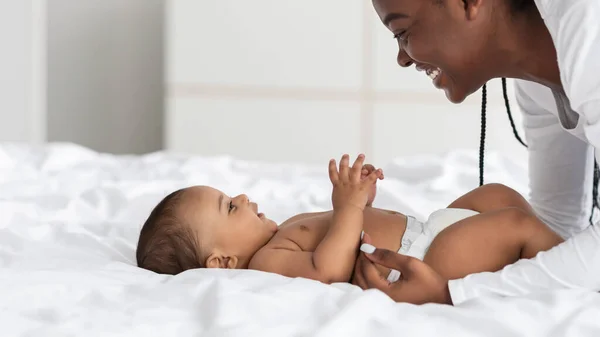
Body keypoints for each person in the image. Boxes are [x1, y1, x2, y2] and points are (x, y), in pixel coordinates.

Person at [353, 0, 600, 305]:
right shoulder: (536, 82)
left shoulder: (590, 32)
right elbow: (558, 226)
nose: (402, 58)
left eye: (402, 31)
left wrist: (454, 293)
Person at [136, 154, 562, 290]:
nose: (244, 197)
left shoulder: (283, 229)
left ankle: (558, 247)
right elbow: (330, 269)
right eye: (230, 207)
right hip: (424, 257)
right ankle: (577, 267)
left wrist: (361, 201)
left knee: (498, 196)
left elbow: (345, 230)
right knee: (511, 224)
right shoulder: (267, 263)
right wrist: (350, 209)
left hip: (430, 227)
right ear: (222, 263)